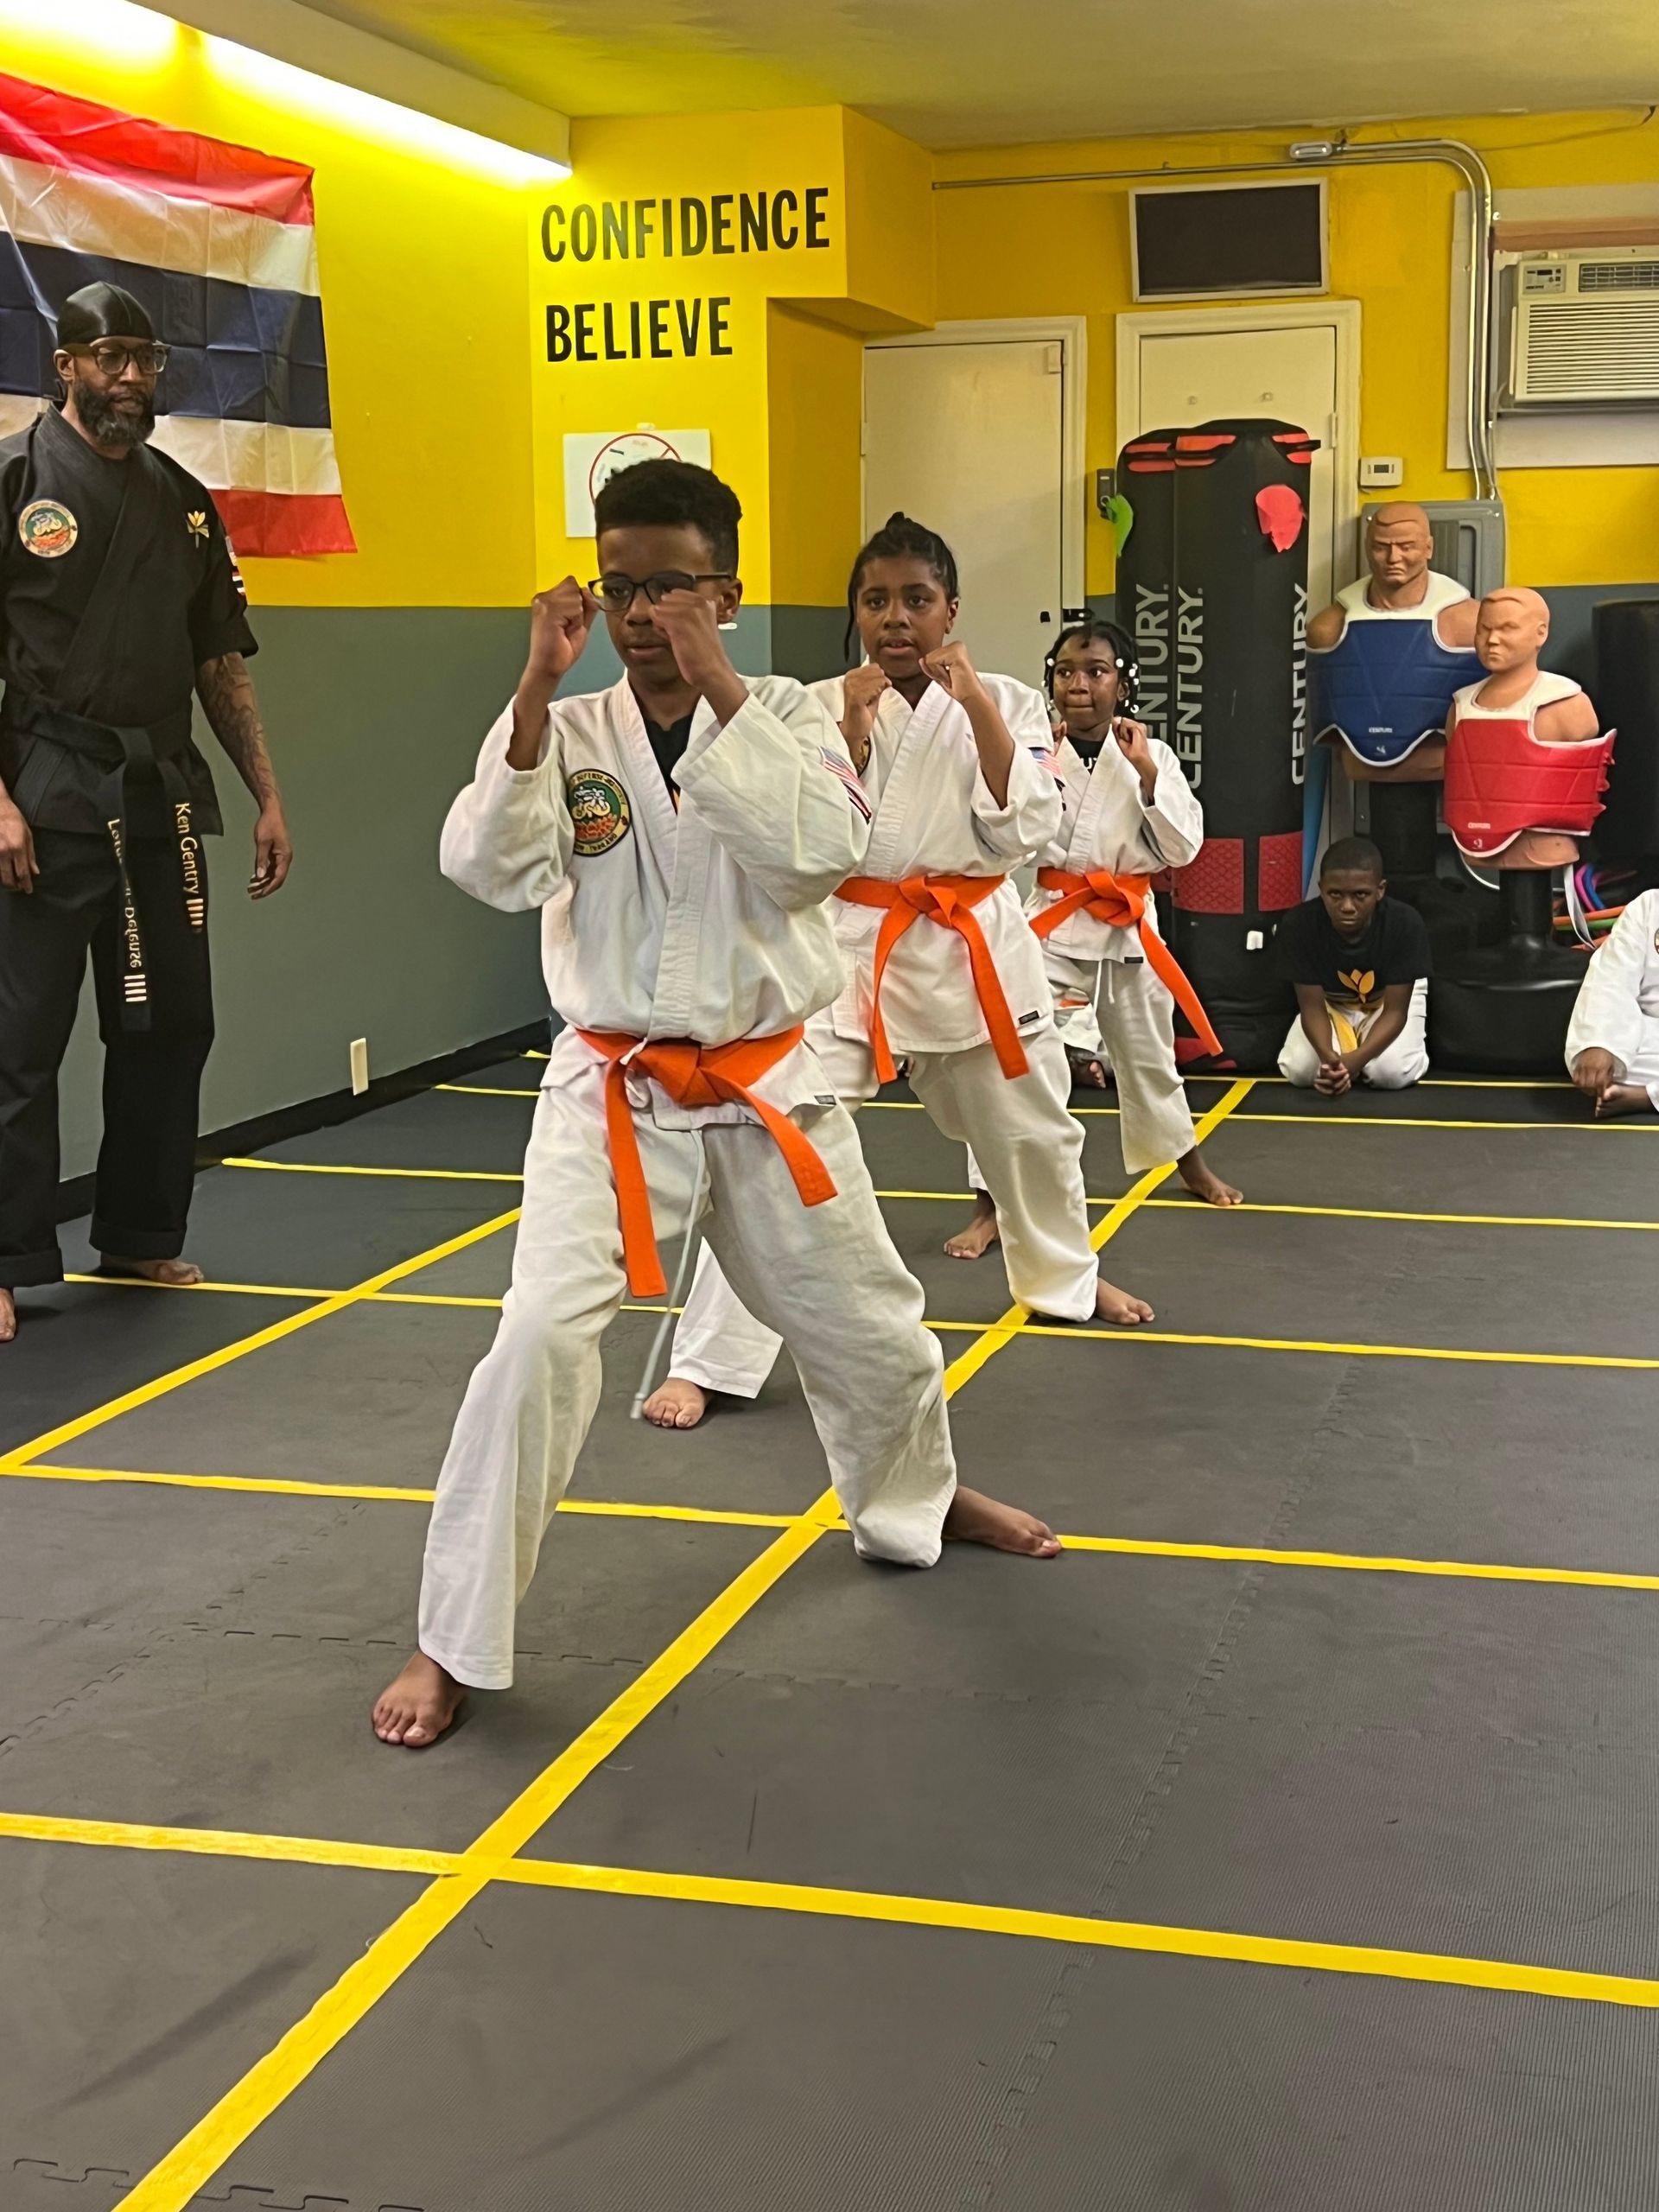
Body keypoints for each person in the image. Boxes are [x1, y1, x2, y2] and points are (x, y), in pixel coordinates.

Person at [373, 465, 1058, 1750]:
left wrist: (724, 689)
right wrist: (532, 692)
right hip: (612, 1090)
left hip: (767, 1081)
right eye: (620, 587)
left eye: (671, 587)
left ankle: (919, 1499)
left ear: (726, 593)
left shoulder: (789, 711)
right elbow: (490, 867)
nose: (642, 613)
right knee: (535, 1340)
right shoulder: (570, 729)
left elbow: (818, 857)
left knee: (877, 1332)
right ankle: (453, 1636)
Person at [640, 514, 1154, 1435]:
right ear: (856, 613)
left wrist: (976, 704)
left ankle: (1065, 1279)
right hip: (847, 946)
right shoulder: (813, 702)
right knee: (773, 1142)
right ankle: (714, 1358)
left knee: (1033, 1132)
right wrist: (847, 729)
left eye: (917, 599)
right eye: (876, 600)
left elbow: (1026, 827)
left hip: (969, 944)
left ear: (951, 610)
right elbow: (792, 830)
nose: (896, 618)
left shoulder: (1008, 699)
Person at [0, 283, 291, 1344]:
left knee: (170, 1022)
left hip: (158, 793)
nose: (130, 377)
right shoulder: (14, 481)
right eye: (108, 356)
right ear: (65, 365)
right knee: (18, 1040)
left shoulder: (183, 502)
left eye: (145, 358)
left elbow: (220, 659)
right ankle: (5, 1255)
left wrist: (266, 792)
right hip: (44, 793)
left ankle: (137, 1228)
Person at [946, 616, 1239, 1264]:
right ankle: (989, 1203)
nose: (1078, 685)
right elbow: (1004, 836)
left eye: (1096, 672)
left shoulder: (1152, 756)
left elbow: (1182, 849)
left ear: (1122, 684)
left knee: (1151, 1060)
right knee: (1009, 1062)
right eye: (1065, 673)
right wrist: (1038, 769)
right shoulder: (1029, 750)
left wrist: (1145, 774)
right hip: (1052, 923)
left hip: (1128, 927)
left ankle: (1189, 1164)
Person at [1274, 836, 1430, 1091]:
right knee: (1300, 1071)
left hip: (1386, 1001)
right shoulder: (1300, 924)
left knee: (1390, 1074)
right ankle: (1348, 1045)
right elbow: (1312, 1008)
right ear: (1321, 888)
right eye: (1335, 894)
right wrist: (1330, 1061)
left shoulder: (1405, 923)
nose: (1347, 907)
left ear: (1380, 890)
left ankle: (1409, 1052)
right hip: (1331, 1003)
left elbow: (1395, 1012)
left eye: (1360, 895)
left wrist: (1352, 1063)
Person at [1567, 887, 1659, 1117]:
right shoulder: (1649, 906)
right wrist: (1601, 1043)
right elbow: (1613, 977)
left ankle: (1647, 1097)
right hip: (1652, 1038)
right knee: (1616, 1057)